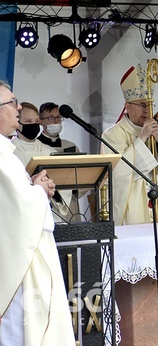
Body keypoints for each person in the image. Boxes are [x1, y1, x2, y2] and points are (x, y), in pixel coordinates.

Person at [0, 81, 75, 345]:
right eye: (11, 102)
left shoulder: (5, 151)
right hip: (15, 267)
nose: (18, 107)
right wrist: (38, 191)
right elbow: (14, 211)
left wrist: (32, 185)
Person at [101, 65, 158, 225]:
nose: (147, 110)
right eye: (141, 105)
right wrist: (142, 138)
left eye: (149, 105)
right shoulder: (112, 135)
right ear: (127, 106)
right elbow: (117, 174)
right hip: (133, 203)